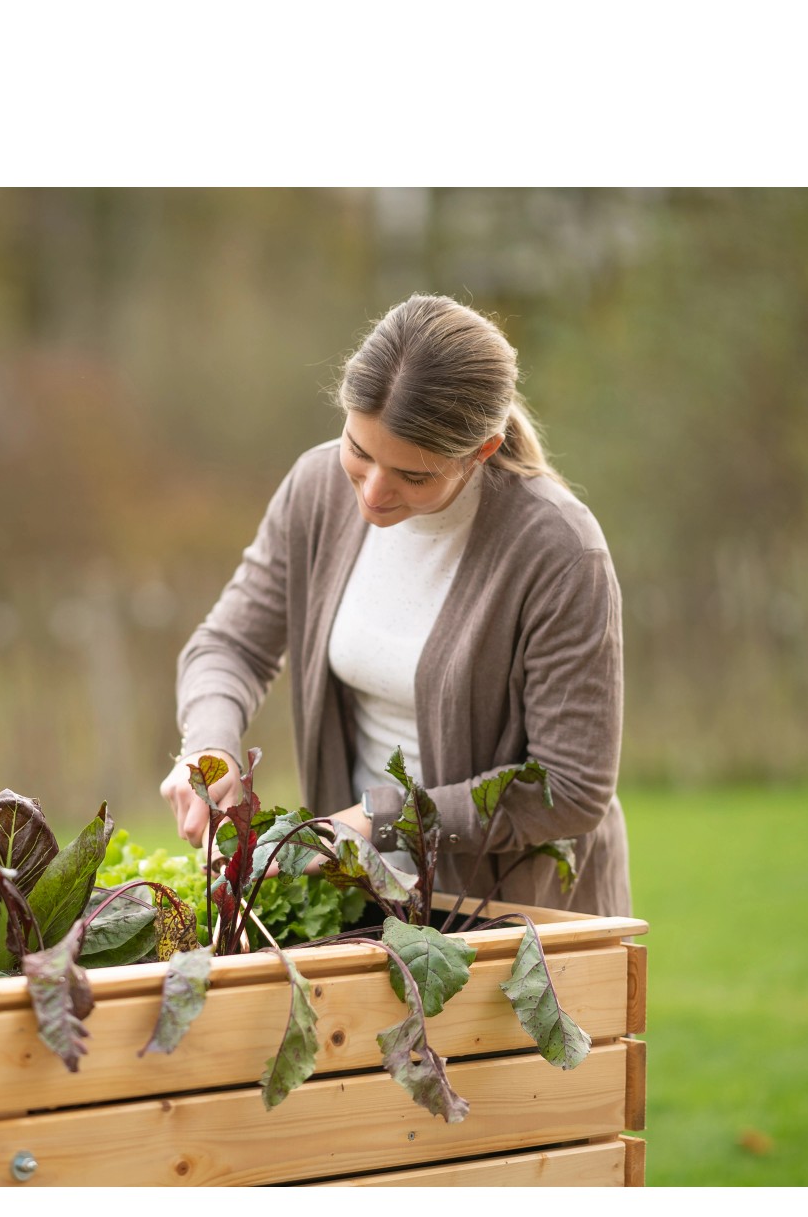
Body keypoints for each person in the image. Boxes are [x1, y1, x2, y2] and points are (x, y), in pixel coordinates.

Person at [158, 293, 631, 916]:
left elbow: (568, 790)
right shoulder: (315, 489)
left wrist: (380, 820)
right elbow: (231, 647)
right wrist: (209, 746)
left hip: (520, 920)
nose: (374, 494)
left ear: (481, 452)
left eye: (414, 476)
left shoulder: (559, 553)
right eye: (360, 450)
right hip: (362, 898)